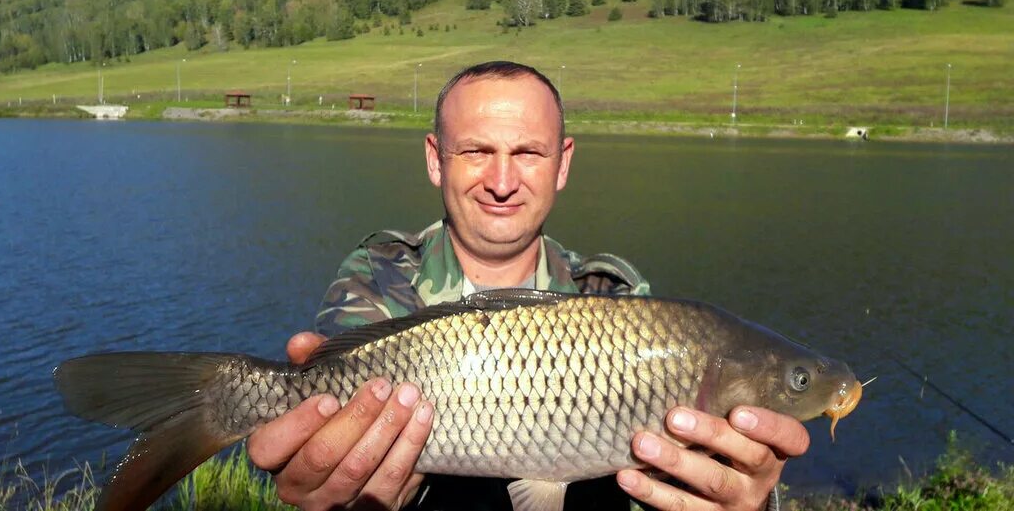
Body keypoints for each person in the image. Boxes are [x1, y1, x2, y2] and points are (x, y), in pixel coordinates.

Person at [247, 61, 810, 511]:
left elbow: (673, 484)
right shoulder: (377, 277)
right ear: (435, 159)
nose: (501, 182)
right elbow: (324, 453)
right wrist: (331, 484)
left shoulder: (614, 297)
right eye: (476, 151)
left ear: (563, 164)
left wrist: (746, 499)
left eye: (528, 153)